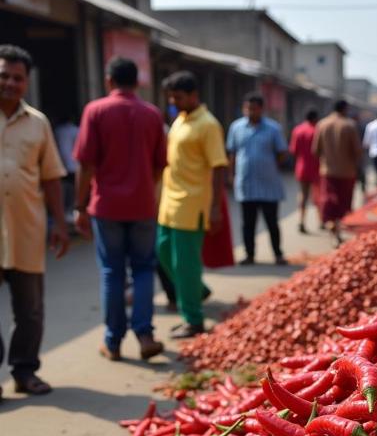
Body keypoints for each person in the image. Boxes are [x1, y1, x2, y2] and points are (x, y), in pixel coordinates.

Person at [73, 56, 167, 362]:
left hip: (107, 206)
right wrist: (149, 196)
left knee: (112, 272)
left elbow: (86, 165)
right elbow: (158, 167)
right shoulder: (152, 115)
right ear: (137, 83)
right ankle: (145, 334)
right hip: (142, 205)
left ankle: (113, 342)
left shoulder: (96, 110)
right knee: (143, 268)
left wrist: (79, 205)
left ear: (109, 80)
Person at [0, 44, 69, 397]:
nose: (10, 83)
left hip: (26, 227)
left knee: (30, 311)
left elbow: (52, 177)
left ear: (27, 82)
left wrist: (60, 224)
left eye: (17, 78)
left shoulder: (38, 123)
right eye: (4, 76)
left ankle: (25, 372)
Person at [157, 71, 227, 338]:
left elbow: (218, 166)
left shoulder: (208, 124)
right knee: (163, 253)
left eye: (178, 96)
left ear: (194, 95)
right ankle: (197, 291)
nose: (174, 101)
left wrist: (215, 207)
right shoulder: (179, 120)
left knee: (184, 263)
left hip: (192, 203)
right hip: (169, 202)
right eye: (172, 97)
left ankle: (193, 319)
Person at [226, 93, 288, 266]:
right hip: (246, 184)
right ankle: (249, 254)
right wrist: (231, 175)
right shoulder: (236, 127)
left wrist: (270, 165)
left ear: (261, 109)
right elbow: (232, 153)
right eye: (247, 108)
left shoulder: (273, 128)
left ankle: (278, 254)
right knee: (248, 223)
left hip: (268, 184)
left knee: (272, 223)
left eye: (254, 108)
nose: (250, 112)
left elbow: (282, 152)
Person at [312, 99, 361, 244]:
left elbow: (315, 150)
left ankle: (332, 225)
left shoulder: (322, 124)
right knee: (342, 202)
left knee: (329, 200)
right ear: (345, 109)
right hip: (347, 172)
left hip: (328, 171)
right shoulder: (349, 126)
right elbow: (357, 151)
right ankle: (336, 227)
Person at [289, 109, 320, 233]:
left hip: (302, 167)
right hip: (316, 168)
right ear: (315, 118)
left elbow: (293, 150)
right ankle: (321, 220)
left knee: (303, 195)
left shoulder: (298, 130)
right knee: (317, 195)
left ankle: (301, 220)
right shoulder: (317, 130)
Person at [54, 112, 79, 224]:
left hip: (61, 164)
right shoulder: (75, 130)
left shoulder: (58, 131)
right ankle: (70, 211)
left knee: (64, 190)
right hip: (73, 165)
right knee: (72, 190)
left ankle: (66, 211)